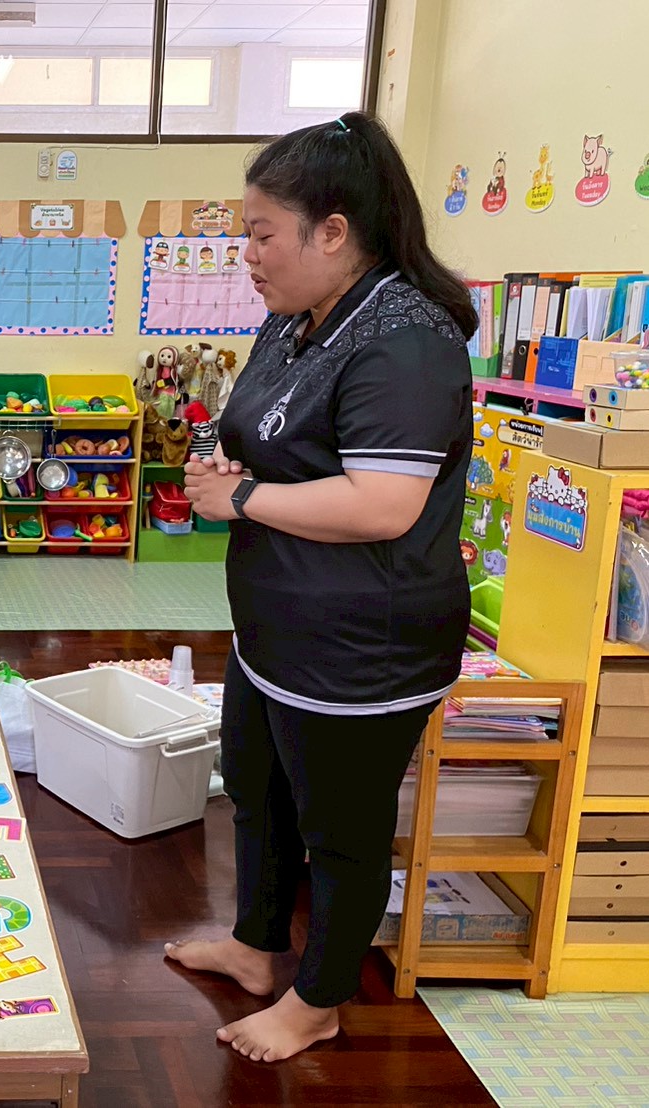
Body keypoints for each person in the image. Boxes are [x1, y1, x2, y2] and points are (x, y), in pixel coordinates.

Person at [169, 111, 476, 1063]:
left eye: (261, 234)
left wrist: (240, 497)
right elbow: (278, 439)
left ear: (331, 231)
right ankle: (256, 948)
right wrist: (227, 466)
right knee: (255, 792)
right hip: (274, 626)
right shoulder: (295, 320)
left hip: (360, 644)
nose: (246, 255)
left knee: (340, 832)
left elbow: (382, 503)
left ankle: (318, 1001)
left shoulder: (406, 340)